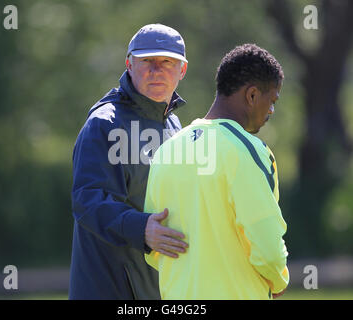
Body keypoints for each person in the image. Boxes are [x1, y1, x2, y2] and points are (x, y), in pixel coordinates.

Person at [144, 44, 289, 299]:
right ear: (252, 95)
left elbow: (155, 249)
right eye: (272, 100)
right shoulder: (249, 150)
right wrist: (278, 281)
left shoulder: (166, 152)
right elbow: (267, 248)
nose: (272, 111)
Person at [69, 24, 189, 300]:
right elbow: (87, 200)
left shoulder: (173, 123)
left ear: (182, 70)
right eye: (147, 61)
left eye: (167, 62)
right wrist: (142, 228)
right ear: (129, 65)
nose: (156, 70)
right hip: (107, 287)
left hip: (156, 286)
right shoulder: (104, 123)